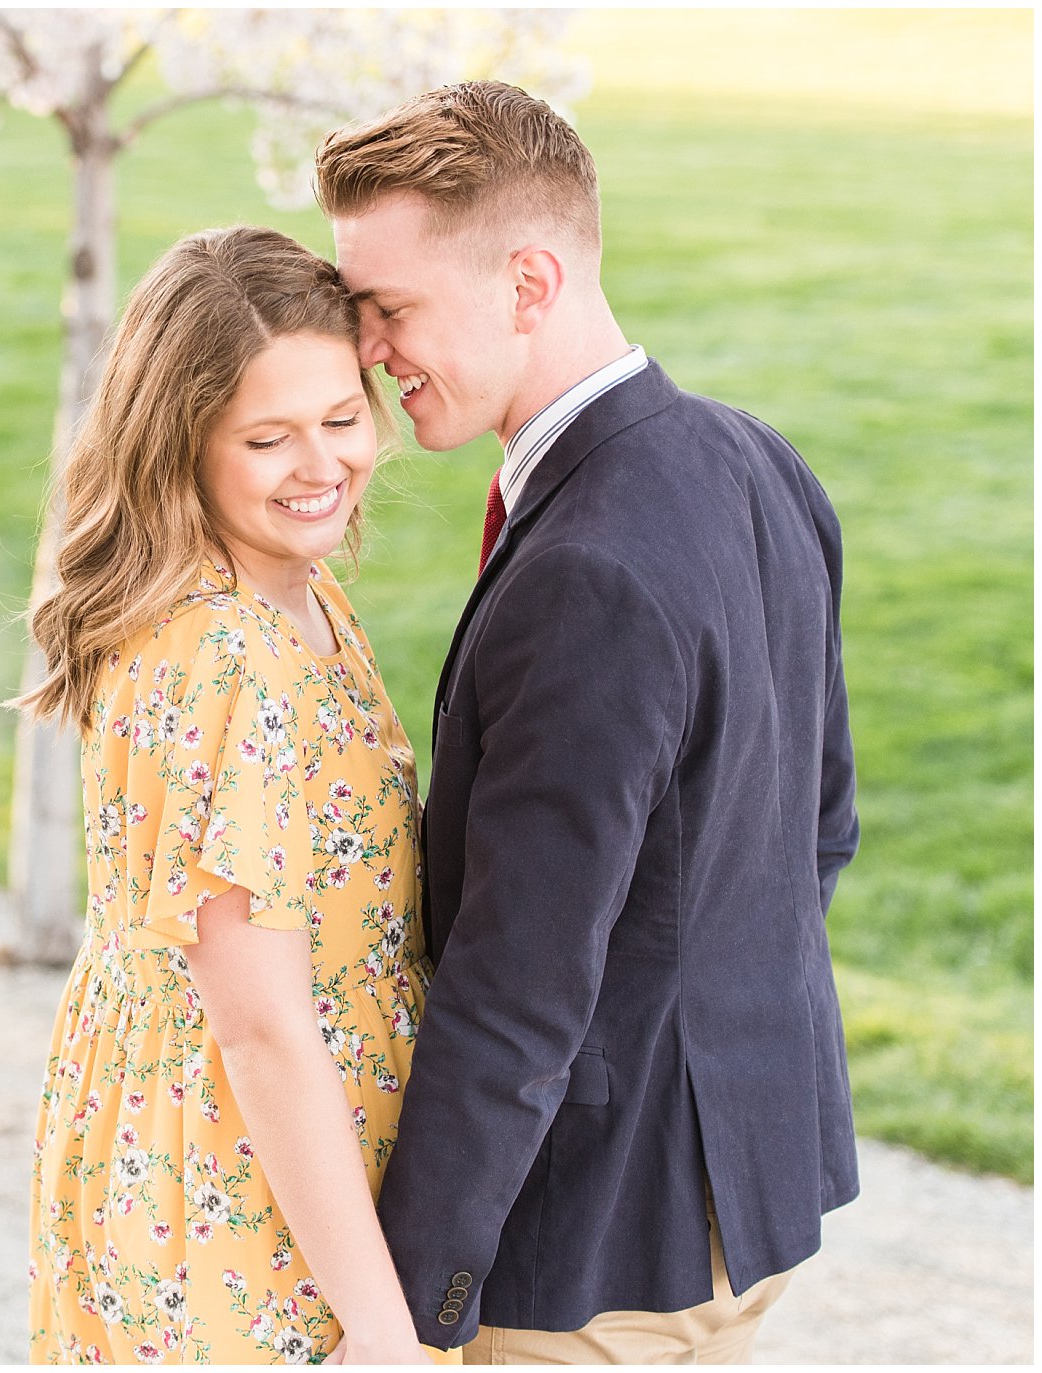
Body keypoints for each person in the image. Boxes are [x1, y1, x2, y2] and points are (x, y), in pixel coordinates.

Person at [315, 81, 860, 1363]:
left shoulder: (585, 573)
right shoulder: (753, 457)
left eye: (390, 308)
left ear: (527, 282)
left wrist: (398, 1311)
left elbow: (515, 985)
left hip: (594, 1256)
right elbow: (814, 830)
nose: (367, 352)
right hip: (739, 1196)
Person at [14, 225, 450, 1365]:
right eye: (267, 437)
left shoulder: (287, 590)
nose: (321, 466)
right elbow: (258, 1026)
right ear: (181, 447)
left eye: (341, 418)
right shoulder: (225, 658)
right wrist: (384, 1329)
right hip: (242, 1181)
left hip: (232, 1147)